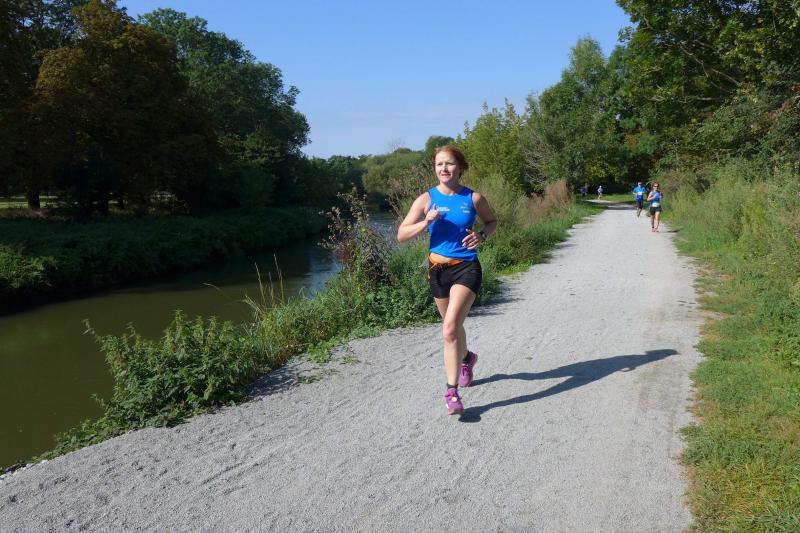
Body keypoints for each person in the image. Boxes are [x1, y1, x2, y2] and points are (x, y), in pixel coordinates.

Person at [397, 145, 497, 415]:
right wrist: (426, 222)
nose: (444, 168)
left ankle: (451, 392)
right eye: (439, 164)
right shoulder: (426, 199)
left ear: (460, 167)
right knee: (452, 327)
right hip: (437, 270)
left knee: (450, 328)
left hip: (466, 267)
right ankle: (467, 358)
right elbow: (401, 235)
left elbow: (492, 222)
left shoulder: (473, 198)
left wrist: (482, 235)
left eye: (449, 163)